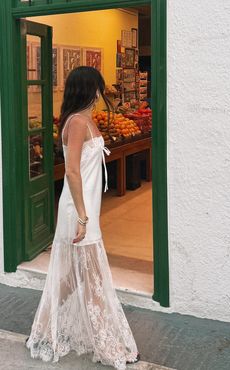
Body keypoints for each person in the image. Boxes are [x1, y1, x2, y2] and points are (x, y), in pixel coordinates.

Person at [25, 66, 140, 370]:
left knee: (73, 277)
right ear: (91, 89)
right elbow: (73, 170)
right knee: (93, 278)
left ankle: (41, 329)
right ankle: (108, 345)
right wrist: (83, 217)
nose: (103, 95)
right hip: (79, 211)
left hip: (85, 209)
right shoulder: (77, 123)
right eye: (100, 88)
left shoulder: (83, 120)